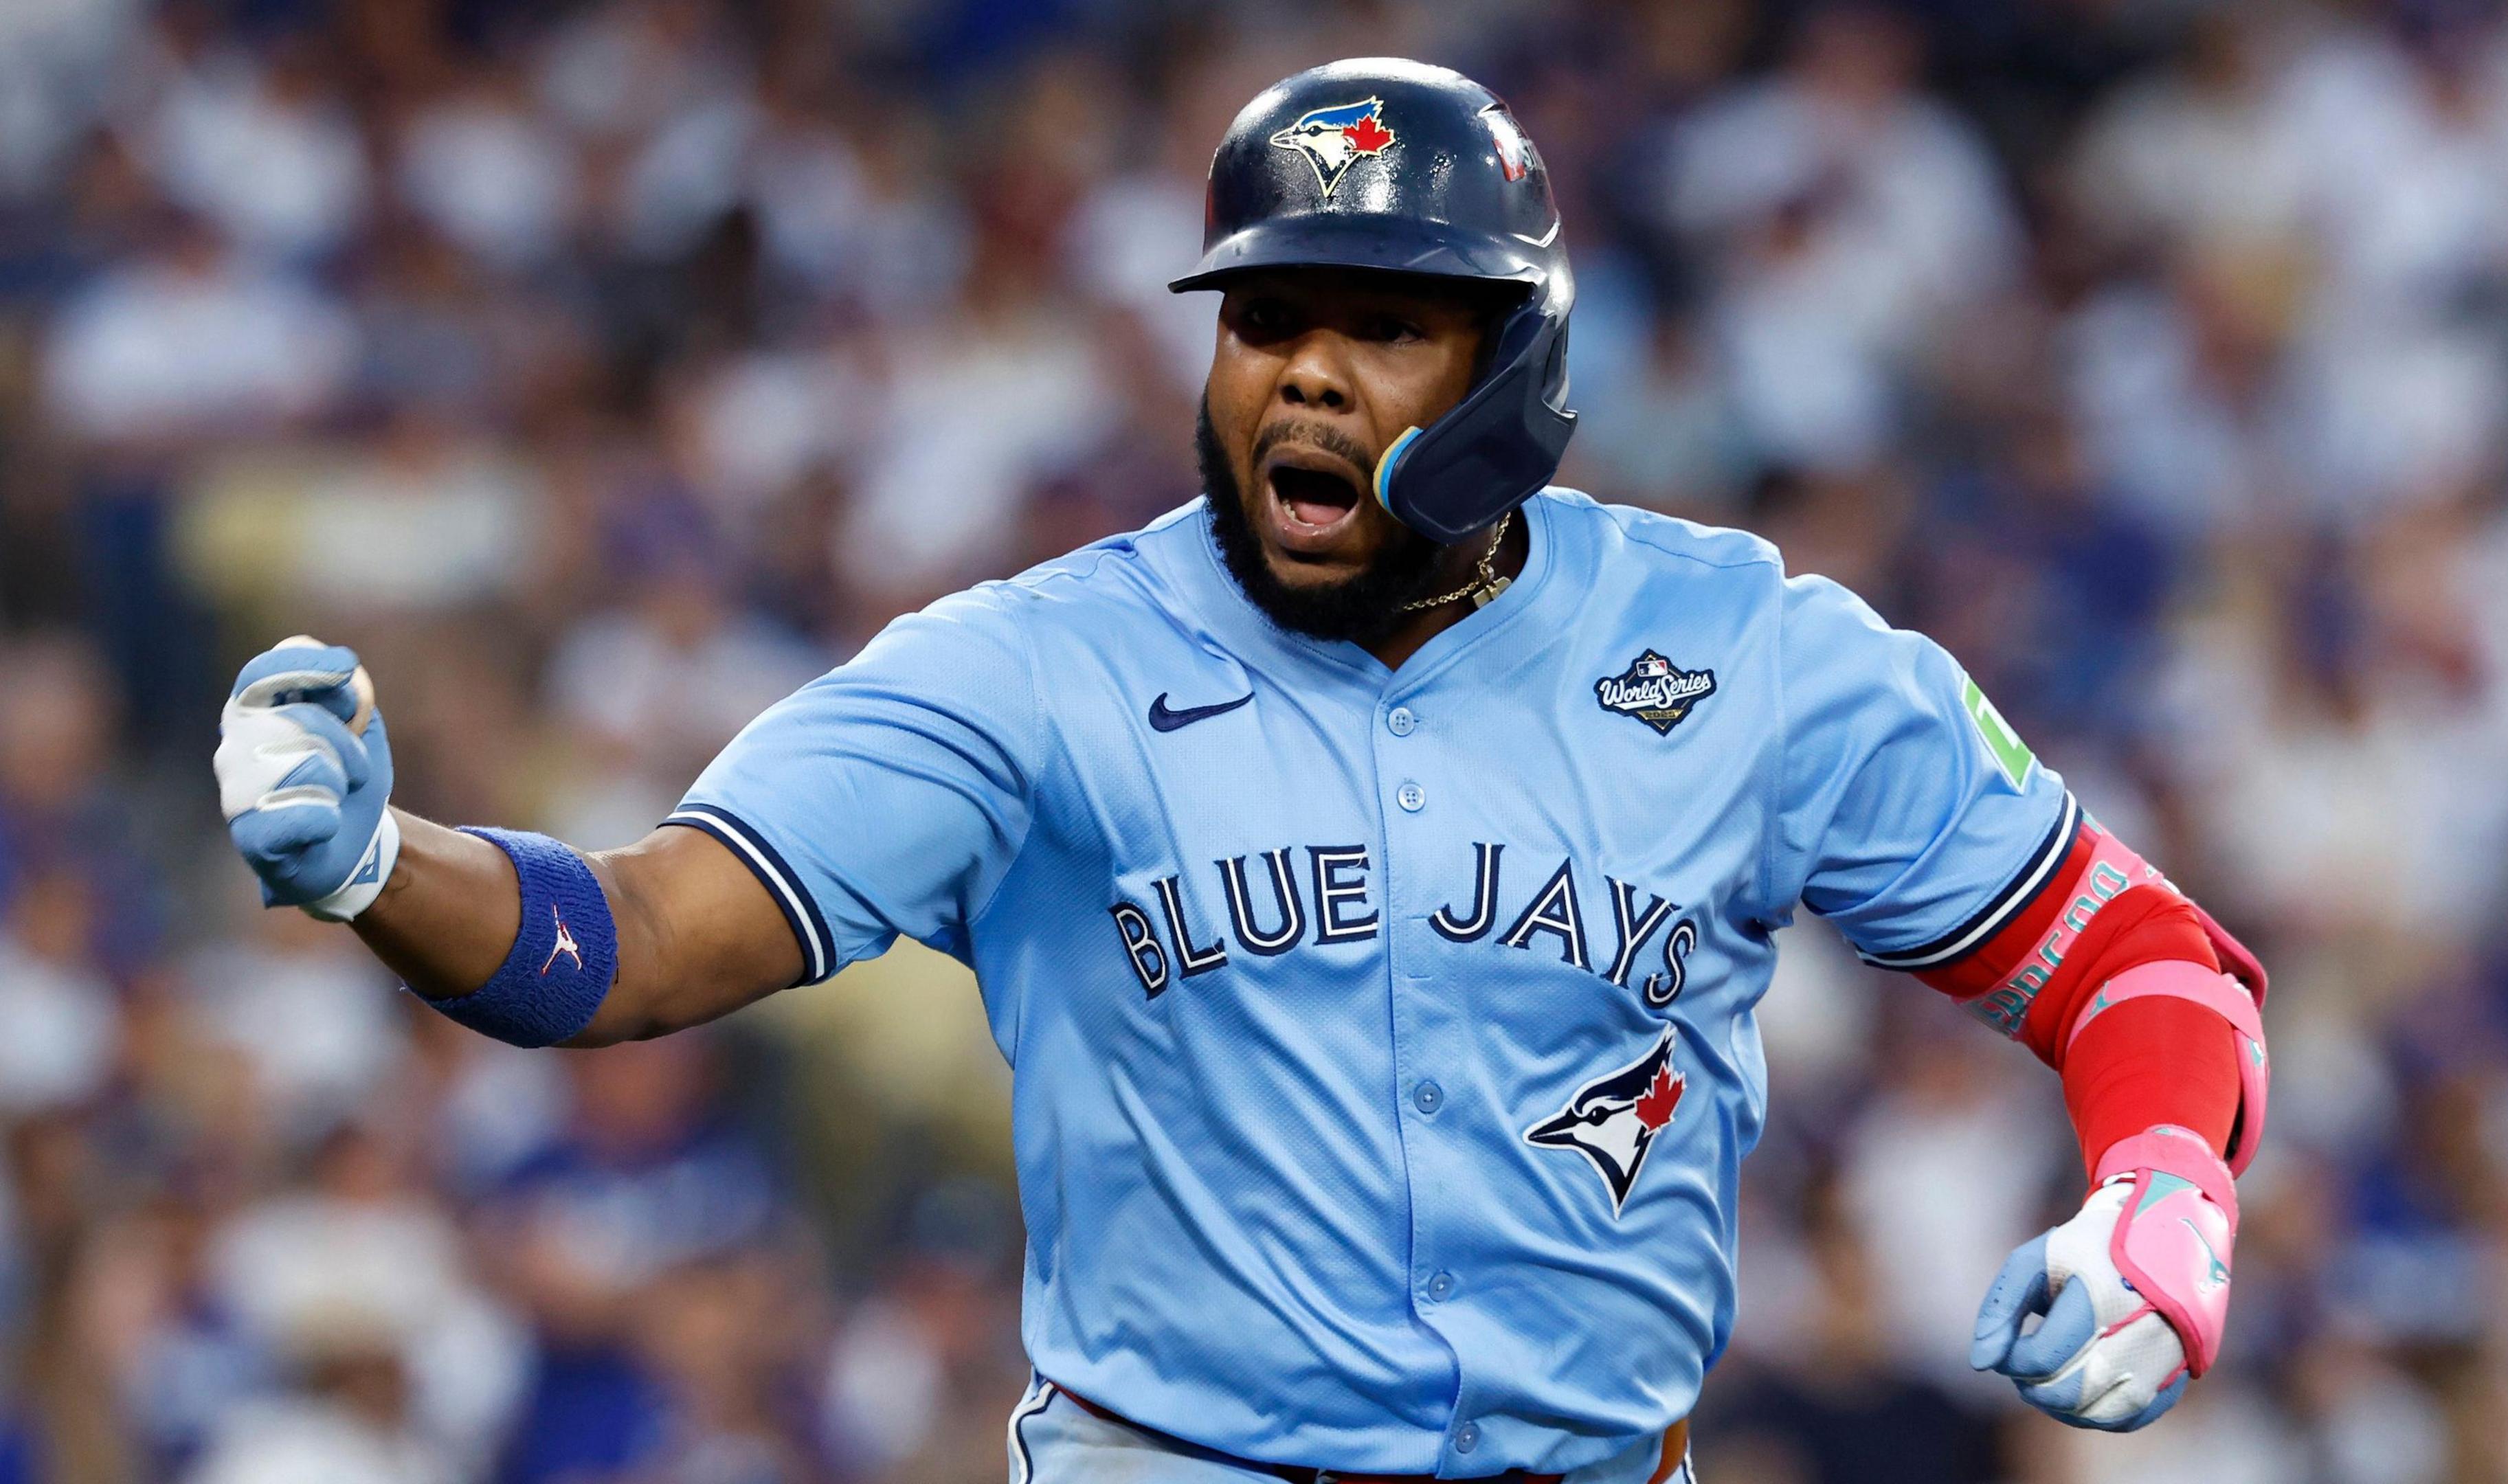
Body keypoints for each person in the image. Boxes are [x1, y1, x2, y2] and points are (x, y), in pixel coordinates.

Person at [212, 58, 2268, 1484]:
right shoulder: (1033, 671)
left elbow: (2140, 959)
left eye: (1386, 324)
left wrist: (2161, 1194)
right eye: (1266, 314)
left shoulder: (1749, 650)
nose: (1302, 369)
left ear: (1518, 375)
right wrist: (378, 860)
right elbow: (629, 942)